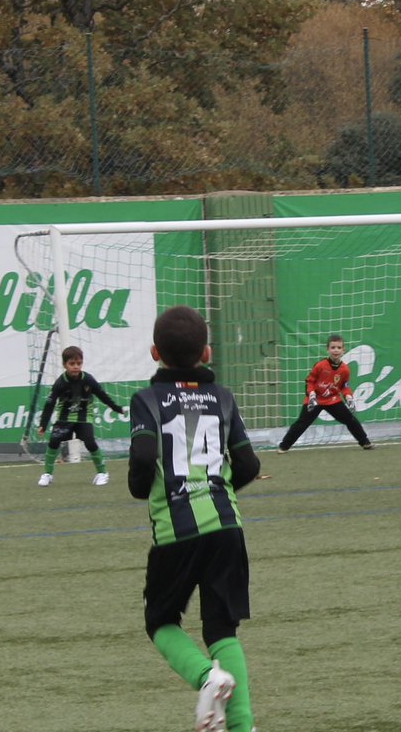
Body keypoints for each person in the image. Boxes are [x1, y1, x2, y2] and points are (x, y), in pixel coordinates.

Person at [127, 305, 262, 732]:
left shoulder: (147, 399)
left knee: (161, 622)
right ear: (206, 352)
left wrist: (141, 486)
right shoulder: (222, 397)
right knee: (223, 628)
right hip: (227, 527)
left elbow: (145, 456)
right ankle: (242, 728)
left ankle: (206, 677)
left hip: (176, 531)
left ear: (154, 353)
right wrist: (216, 488)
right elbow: (249, 464)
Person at [35, 345, 124, 486]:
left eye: (78, 363)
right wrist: (43, 425)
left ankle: (102, 473)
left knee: (90, 441)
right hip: (64, 417)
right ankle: (47, 474)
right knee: (53, 442)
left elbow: (102, 395)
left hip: (84, 417)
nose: (76, 367)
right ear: (64, 365)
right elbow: (50, 403)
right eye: (72, 364)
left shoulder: (88, 379)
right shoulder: (60, 383)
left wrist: (116, 408)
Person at [278, 334, 373, 452]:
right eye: (333, 347)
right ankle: (284, 446)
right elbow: (310, 381)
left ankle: (365, 442)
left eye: (339, 347)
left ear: (343, 350)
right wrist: (311, 395)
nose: (336, 350)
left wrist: (349, 398)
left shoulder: (344, 369)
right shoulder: (320, 365)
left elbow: (344, 386)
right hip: (315, 400)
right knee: (302, 423)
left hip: (332, 400)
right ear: (327, 349)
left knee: (350, 419)